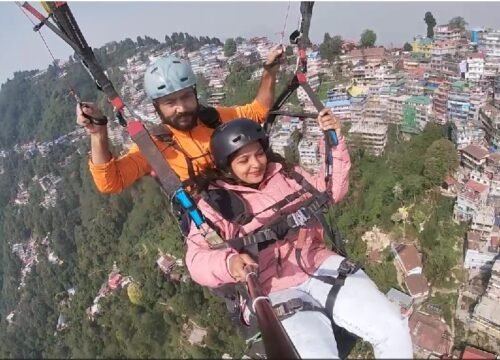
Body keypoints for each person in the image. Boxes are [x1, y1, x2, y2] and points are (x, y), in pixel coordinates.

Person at [184, 114, 413, 359]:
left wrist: (334, 142)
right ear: (227, 166)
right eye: (244, 160)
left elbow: (331, 190)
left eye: (259, 154)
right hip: (274, 287)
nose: (256, 164)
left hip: (318, 263)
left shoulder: (287, 175)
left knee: (393, 328)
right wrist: (228, 263)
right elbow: (197, 258)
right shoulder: (215, 205)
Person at [76, 46, 284, 193]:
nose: (181, 108)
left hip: (250, 199)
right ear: (157, 107)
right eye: (170, 102)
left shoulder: (214, 118)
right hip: (214, 223)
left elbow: (258, 111)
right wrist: (98, 133)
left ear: (195, 94)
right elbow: (110, 182)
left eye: (186, 97)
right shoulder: (154, 146)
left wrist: (269, 72)